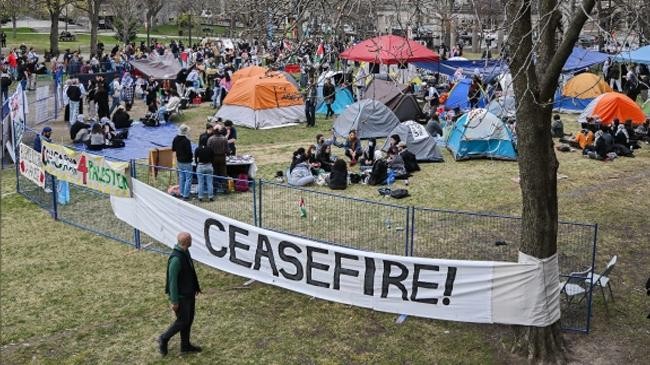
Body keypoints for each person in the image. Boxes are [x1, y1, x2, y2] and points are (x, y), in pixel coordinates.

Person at [158, 232, 202, 356]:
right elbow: (172, 282)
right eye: (190, 239)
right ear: (186, 242)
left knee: (189, 320)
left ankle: (185, 345)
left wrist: (195, 287)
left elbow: (190, 272)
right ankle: (164, 338)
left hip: (189, 294)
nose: (192, 240)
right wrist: (175, 301)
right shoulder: (176, 259)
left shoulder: (185, 252)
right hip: (182, 297)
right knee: (182, 321)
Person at [172, 124, 193, 200]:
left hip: (179, 160)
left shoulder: (175, 139)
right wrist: (191, 158)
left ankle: (181, 192)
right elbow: (189, 152)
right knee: (188, 178)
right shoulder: (186, 141)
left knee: (181, 177)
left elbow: (174, 150)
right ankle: (186, 195)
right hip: (187, 162)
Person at [207, 125, 228, 190]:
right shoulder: (224, 139)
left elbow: (208, 149)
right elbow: (227, 149)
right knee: (223, 172)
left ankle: (215, 187)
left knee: (214, 172)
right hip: (222, 157)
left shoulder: (210, 139)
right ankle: (224, 187)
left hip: (213, 157)